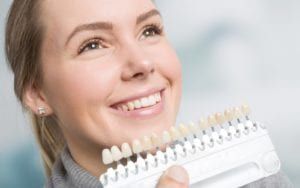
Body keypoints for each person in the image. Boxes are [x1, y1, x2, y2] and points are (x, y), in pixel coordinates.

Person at [5, 0, 293, 187]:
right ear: (37, 94)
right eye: (93, 45)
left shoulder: (260, 177)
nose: (142, 63)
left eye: (149, 31)